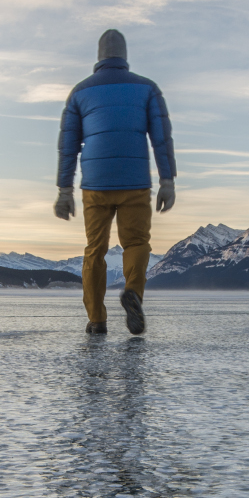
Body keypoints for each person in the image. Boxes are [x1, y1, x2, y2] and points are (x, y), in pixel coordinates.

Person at [54, 29, 176, 335]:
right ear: (124, 56)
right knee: (136, 243)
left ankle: (97, 320)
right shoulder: (147, 89)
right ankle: (132, 291)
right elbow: (162, 138)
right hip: (135, 183)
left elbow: (68, 145)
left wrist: (64, 190)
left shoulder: (80, 92)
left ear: (98, 57)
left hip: (95, 185)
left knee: (95, 250)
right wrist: (167, 181)